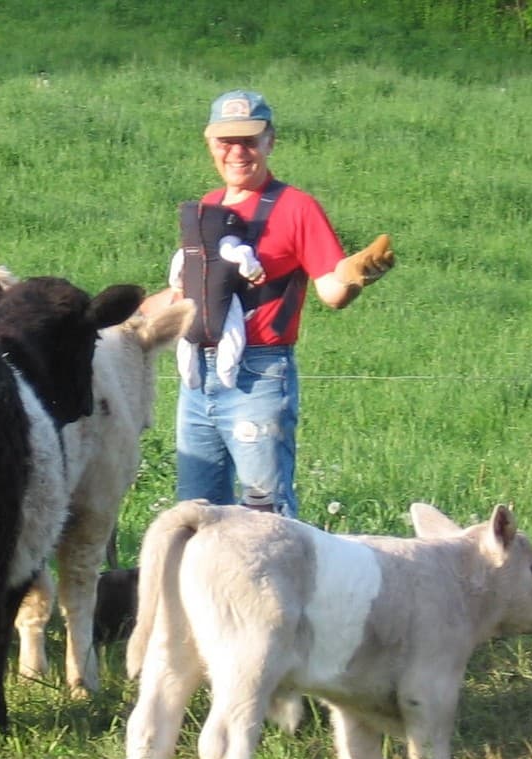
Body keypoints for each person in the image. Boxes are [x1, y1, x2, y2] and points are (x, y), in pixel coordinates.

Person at [149, 88, 394, 517]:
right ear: (210, 144)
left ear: (270, 142)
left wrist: (357, 276)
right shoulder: (206, 207)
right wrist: (115, 321)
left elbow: (331, 292)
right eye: (226, 142)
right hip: (195, 376)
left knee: (266, 517)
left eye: (249, 140)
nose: (237, 152)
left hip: (259, 377)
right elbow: (186, 293)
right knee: (195, 515)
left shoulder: (298, 208)